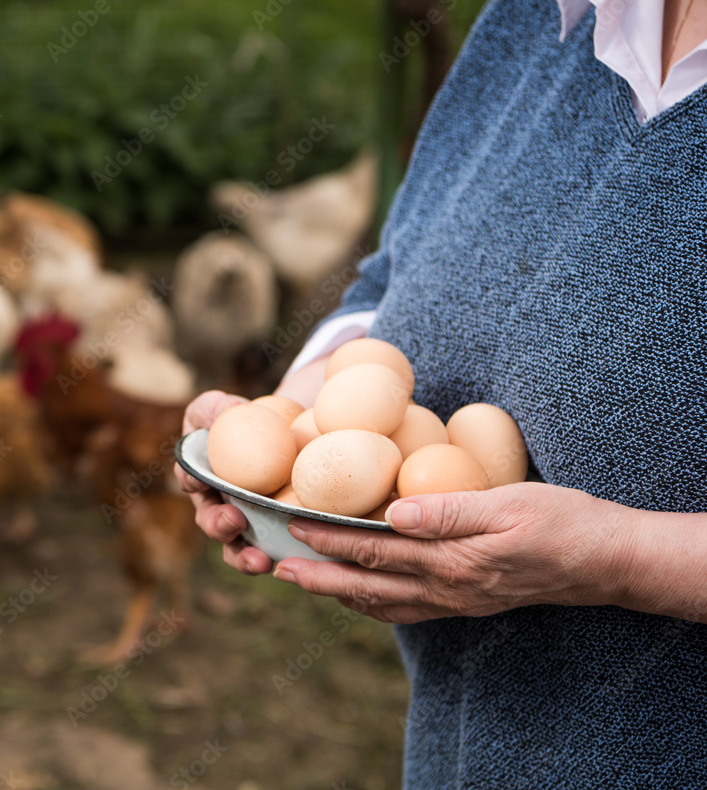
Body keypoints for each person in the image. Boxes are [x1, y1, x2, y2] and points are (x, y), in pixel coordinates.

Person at [176, 0, 707, 786]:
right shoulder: (535, 18)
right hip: (468, 749)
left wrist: (622, 558)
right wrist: (293, 422)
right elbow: (401, 269)